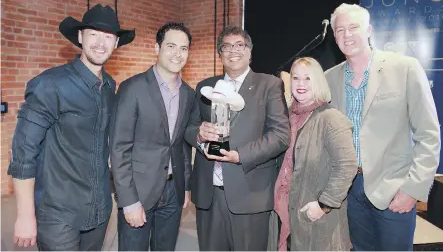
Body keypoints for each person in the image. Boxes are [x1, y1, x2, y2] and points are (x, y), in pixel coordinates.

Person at [7, 4, 135, 250]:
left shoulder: (109, 86)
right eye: (94, 34)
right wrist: (25, 216)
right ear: (80, 37)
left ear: (116, 43)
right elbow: (23, 152)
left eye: (108, 36)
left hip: (98, 212)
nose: (101, 43)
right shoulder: (50, 84)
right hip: (58, 215)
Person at [326, 3, 441, 251]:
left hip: (393, 187)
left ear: (368, 30)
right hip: (348, 191)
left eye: (353, 27)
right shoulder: (329, 79)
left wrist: (412, 189)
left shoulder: (405, 68)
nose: (347, 35)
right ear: (334, 37)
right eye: (340, 30)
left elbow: (429, 135)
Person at [185, 25, 290, 251]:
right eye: (226, 46)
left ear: (250, 52)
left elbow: (281, 135)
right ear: (220, 53)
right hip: (209, 196)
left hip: (250, 195)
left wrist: (240, 155)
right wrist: (199, 135)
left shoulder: (269, 85)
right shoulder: (205, 87)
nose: (233, 50)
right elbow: (189, 128)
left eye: (240, 45)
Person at [109, 22, 194, 251]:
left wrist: (185, 185)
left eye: (184, 48)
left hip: (172, 192)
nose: (177, 54)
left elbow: (182, 145)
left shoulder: (188, 94)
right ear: (157, 49)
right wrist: (128, 202)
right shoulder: (132, 88)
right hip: (139, 191)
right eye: (171, 46)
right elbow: (119, 149)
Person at [268, 57, 357, 251]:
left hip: (317, 219)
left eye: (308, 78)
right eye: (296, 78)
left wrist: (323, 205)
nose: (300, 84)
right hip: (286, 211)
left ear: (318, 81)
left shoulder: (331, 118)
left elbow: (347, 166)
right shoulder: (286, 118)